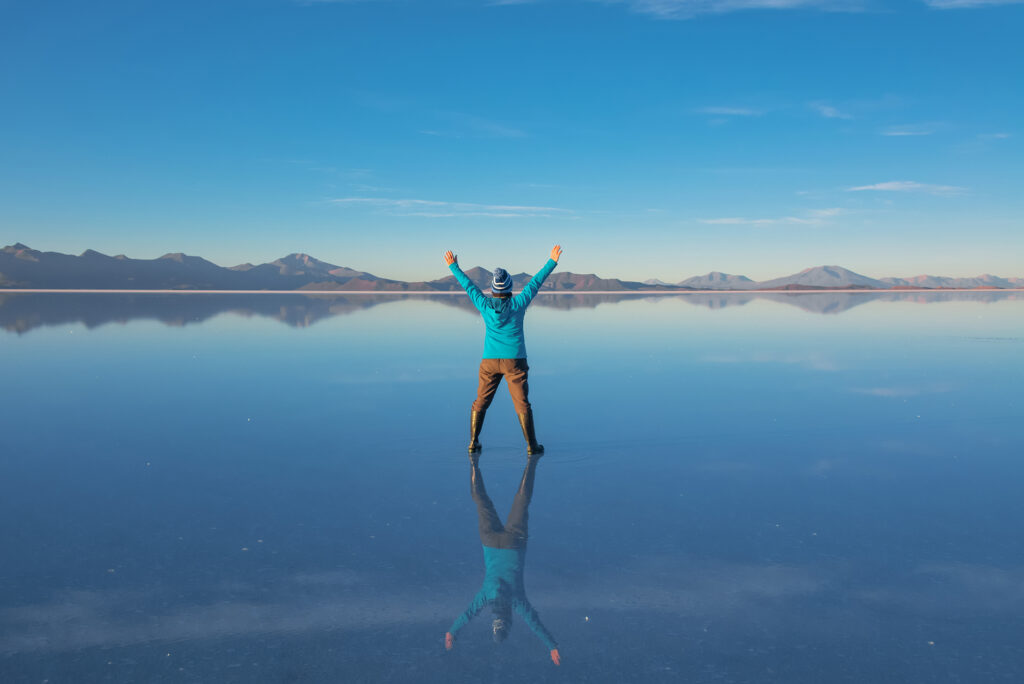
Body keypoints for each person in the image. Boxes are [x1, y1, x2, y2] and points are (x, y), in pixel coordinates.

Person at [443, 245, 562, 455]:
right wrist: (551, 261)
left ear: (492, 290)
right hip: (514, 362)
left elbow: (469, 287)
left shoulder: (484, 304)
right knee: (522, 403)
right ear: (509, 289)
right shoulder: (518, 303)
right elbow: (535, 284)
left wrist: (454, 266)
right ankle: (532, 445)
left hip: (489, 361)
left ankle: (473, 441)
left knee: (481, 401)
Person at [444, 454, 560, 665]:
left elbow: (534, 623)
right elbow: (468, 614)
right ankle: (473, 461)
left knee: (522, 500)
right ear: (495, 619)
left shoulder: (517, 600)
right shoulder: (486, 596)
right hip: (490, 541)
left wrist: (551, 645)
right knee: (481, 501)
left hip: (514, 542)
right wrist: (452, 632)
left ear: (508, 619)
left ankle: (532, 459)